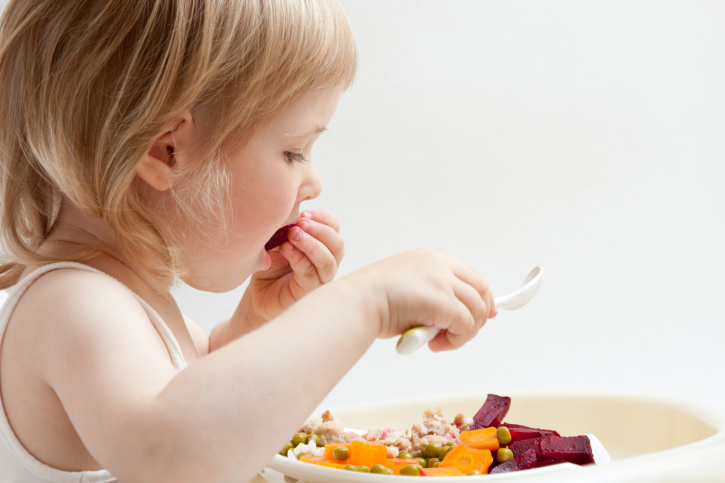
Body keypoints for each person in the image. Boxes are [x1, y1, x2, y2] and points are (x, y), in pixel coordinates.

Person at [0, 1, 496, 482]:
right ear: (166, 150)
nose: (313, 182)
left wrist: (253, 324)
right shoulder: (71, 306)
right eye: (293, 151)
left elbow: (204, 401)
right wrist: (368, 302)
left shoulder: (127, 309)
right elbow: (172, 454)